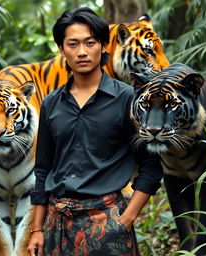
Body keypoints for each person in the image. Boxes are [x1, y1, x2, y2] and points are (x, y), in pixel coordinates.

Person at [27, 7, 163, 256]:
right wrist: (37, 229)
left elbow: (151, 166)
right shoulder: (51, 103)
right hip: (56, 225)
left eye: (90, 43)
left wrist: (126, 218)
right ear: (61, 49)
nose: (81, 52)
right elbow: (43, 169)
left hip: (109, 223)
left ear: (103, 46)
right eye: (73, 44)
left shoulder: (127, 99)